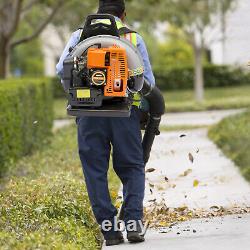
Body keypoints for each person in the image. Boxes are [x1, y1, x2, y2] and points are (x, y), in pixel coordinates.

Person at [56, 0, 155, 246]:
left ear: (98, 11)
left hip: (88, 113)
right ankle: (133, 223)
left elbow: (61, 69)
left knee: (95, 170)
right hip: (124, 112)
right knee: (132, 167)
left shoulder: (79, 36)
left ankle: (109, 232)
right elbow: (148, 82)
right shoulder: (133, 38)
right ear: (123, 14)